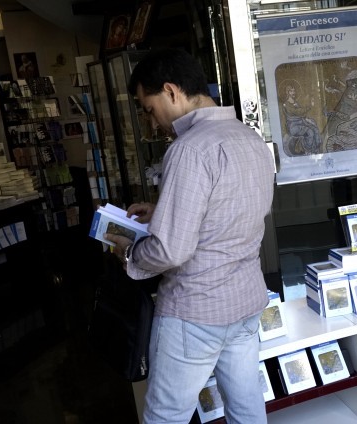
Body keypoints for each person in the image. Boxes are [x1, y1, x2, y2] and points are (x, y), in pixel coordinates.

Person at [103, 48, 275, 424]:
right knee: (247, 410)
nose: (152, 124)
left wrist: (131, 255)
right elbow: (234, 212)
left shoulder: (188, 150)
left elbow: (169, 250)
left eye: (149, 110)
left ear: (170, 91)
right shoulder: (251, 139)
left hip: (194, 312)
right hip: (244, 304)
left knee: (165, 417)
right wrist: (163, 211)